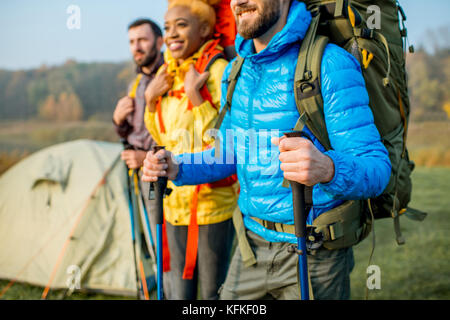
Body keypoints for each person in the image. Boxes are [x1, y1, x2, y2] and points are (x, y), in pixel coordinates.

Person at [142, 0, 391, 300]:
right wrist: (177, 166)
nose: (240, 2)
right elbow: (228, 153)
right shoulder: (236, 71)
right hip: (250, 247)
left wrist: (327, 168)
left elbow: (377, 169)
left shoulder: (329, 64)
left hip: (313, 253)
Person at [142, 0, 238, 300]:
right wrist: (149, 100)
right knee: (179, 294)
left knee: (212, 295)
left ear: (205, 28)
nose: (171, 34)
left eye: (181, 25)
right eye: (167, 27)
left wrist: (196, 97)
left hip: (212, 205)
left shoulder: (219, 69)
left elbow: (225, 141)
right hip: (173, 204)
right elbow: (163, 136)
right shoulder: (166, 74)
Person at [112, 18, 165, 296]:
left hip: (160, 174)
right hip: (137, 173)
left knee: (162, 238)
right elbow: (133, 130)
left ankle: (169, 291)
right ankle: (155, 285)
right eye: (132, 42)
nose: (137, 47)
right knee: (149, 237)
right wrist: (118, 120)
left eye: (142, 40)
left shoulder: (168, 76)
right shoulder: (136, 83)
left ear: (159, 41)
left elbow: (178, 133)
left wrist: (144, 155)